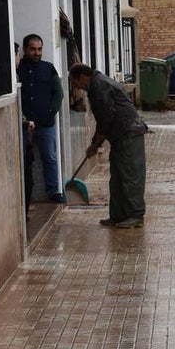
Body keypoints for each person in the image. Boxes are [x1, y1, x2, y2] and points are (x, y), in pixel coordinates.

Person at [69, 63, 149, 228]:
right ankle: (118, 215)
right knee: (117, 177)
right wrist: (96, 142)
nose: (76, 87)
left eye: (75, 83)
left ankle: (136, 215)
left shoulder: (99, 86)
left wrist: (95, 144)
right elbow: (104, 121)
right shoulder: (97, 83)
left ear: (83, 77)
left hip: (129, 134)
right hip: (120, 135)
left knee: (130, 176)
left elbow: (105, 119)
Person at [17, 34, 66, 203]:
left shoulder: (48, 68)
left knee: (50, 157)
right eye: (33, 49)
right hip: (23, 124)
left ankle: (53, 191)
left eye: (39, 49)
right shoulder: (18, 68)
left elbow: (58, 93)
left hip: (45, 124)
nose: (37, 53)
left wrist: (50, 112)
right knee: (22, 159)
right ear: (25, 49)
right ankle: (23, 196)